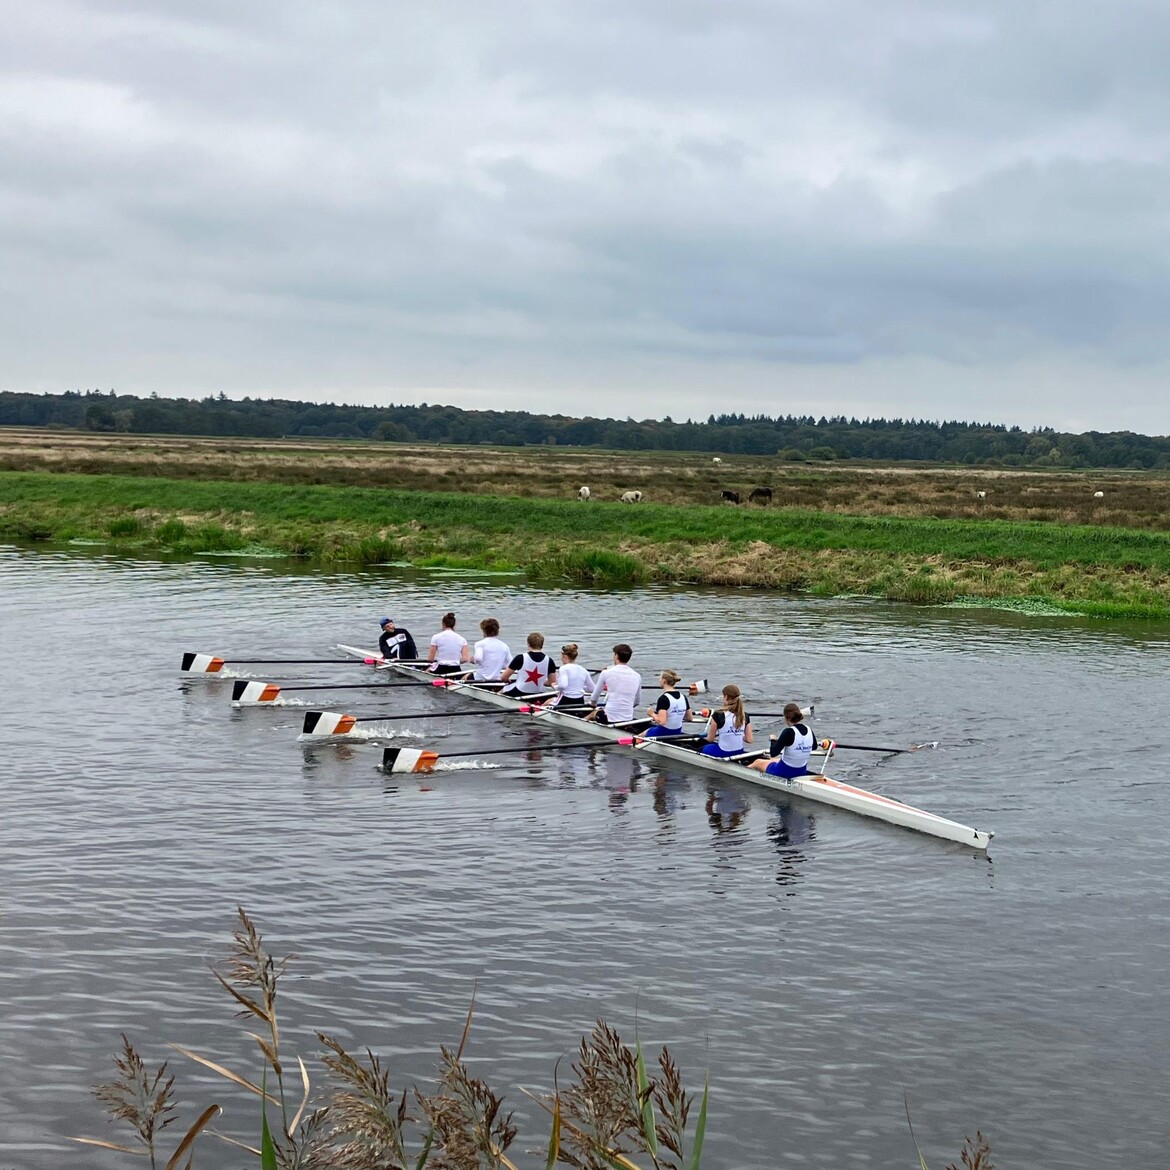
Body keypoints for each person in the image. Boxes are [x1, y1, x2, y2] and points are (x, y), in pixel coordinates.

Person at [749, 702, 816, 778]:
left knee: (757, 762)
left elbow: (773, 753)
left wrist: (773, 740)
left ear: (786, 718)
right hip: (802, 771)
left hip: (784, 772)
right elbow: (814, 747)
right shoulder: (809, 729)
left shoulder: (788, 732)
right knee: (774, 759)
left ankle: (741, 773)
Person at [586, 643, 642, 724]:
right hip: (628, 718)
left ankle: (581, 723)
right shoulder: (637, 676)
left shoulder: (605, 673)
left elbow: (594, 698)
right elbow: (637, 702)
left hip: (609, 718)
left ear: (616, 656)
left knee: (593, 713)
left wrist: (593, 705)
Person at [642, 669, 699, 737]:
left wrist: (652, 714)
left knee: (640, 735)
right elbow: (689, 718)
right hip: (677, 731)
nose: (659, 681)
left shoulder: (663, 699)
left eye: (660, 679)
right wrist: (677, 714)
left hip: (663, 732)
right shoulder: (683, 697)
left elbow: (662, 722)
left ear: (664, 681)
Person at [701, 684, 753, 757]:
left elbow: (710, 739)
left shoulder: (718, 714)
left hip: (723, 752)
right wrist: (737, 733)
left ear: (726, 697)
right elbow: (749, 740)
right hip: (739, 752)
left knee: (705, 747)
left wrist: (701, 739)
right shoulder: (745, 715)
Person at [501, 632, 557, 696]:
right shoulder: (550, 661)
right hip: (538, 694)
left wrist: (508, 681)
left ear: (528, 644)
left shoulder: (520, 658)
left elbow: (503, 678)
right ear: (542, 645)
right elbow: (552, 682)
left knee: (501, 691)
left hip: (519, 692)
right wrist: (540, 681)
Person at [553, 643, 594, 708]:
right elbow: (592, 689)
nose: (561, 659)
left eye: (561, 656)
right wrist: (579, 687)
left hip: (565, 700)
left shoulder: (564, 668)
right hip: (580, 701)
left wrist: (555, 687)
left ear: (565, 656)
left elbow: (563, 685)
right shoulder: (583, 670)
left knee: (547, 703)